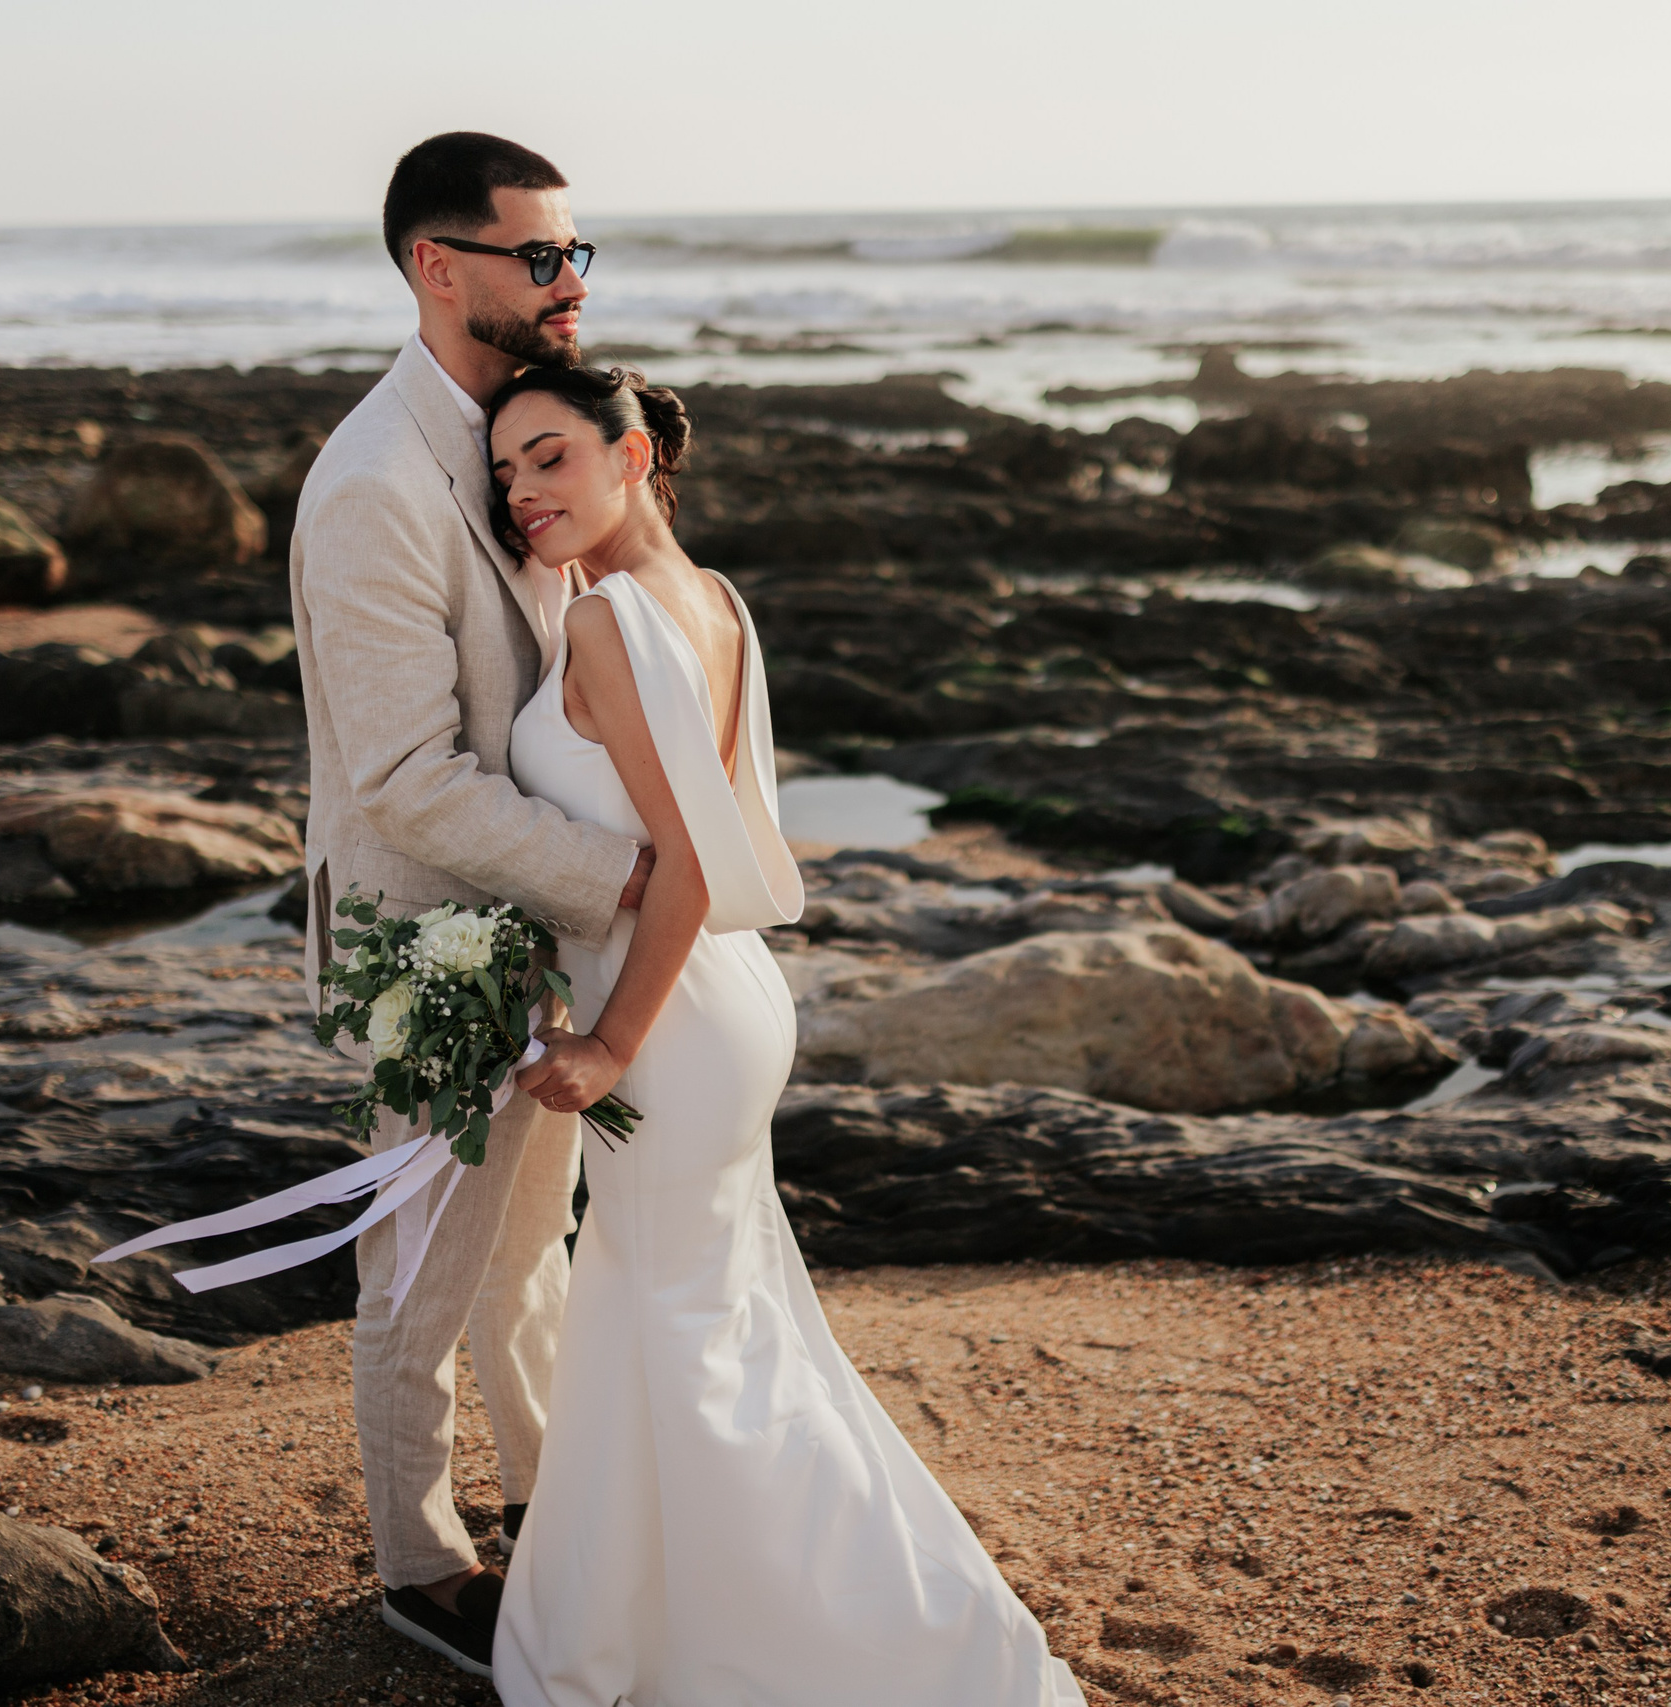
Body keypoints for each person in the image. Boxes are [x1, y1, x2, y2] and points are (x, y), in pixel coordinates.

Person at [487, 363, 1084, 1705]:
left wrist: (606, 1045)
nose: (524, 493)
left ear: (632, 454)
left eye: (551, 458)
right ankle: (640, 1626)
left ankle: (875, 1646)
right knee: (701, 1323)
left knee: (695, 1338)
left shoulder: (610, 623)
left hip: (673, 1011)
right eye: (507, 474)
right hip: (731, 994)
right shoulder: (718, 603)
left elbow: (689, 861)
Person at [288, 132, 653, 1676]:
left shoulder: (518, 433)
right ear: (440, 268)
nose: (571, 284)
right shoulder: (377, 481)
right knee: (423, 1268)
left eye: (578, 255)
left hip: (537, 926)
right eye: (540, 256)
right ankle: (416, 1566)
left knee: (528, 1253)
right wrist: (631, 882)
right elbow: (404, 779)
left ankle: (551, 1504)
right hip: (425, 930)